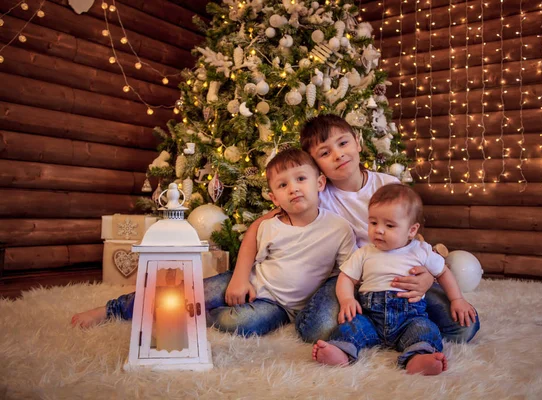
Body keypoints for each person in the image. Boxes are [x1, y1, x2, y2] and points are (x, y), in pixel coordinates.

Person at [236, 114, 480, 343]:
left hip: (396, 271)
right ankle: (370, 321)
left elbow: (413, 234)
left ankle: (386, 325)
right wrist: (240, 276)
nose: (338, 155)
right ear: (317, 166)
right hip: (349, 277)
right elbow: (260, 225)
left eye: (343, 143)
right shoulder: (317, 194)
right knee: (319, 328)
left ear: (357, 143)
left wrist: (427, 277)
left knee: (464, 328)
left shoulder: (387, 184)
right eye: (325, 152)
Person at [71, 149, 356, 337]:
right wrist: (240, 280)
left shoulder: (338, 228)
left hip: (281, 307)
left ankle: (195, 316)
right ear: (273, 198)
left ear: (319, 184)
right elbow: (249, 246)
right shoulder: (271, 225)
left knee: (238, 324)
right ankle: (114, 309)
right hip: (251, 282)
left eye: (301, 179)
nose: (293, 188)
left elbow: (347, 271)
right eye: (283, 185)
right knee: (190, 290)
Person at [312, 183, 477, 375]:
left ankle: (418, 358)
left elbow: (443, 272)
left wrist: (457, 299)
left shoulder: (421, 250)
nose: (379, 230)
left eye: (389, 225)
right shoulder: (364, 253)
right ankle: (340, 352)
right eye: (373, 223)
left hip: (409, 318)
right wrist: (347, 299)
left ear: (412, 230)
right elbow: (346, 277)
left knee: (424, 329)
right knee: (351, 327)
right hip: (370, 317)